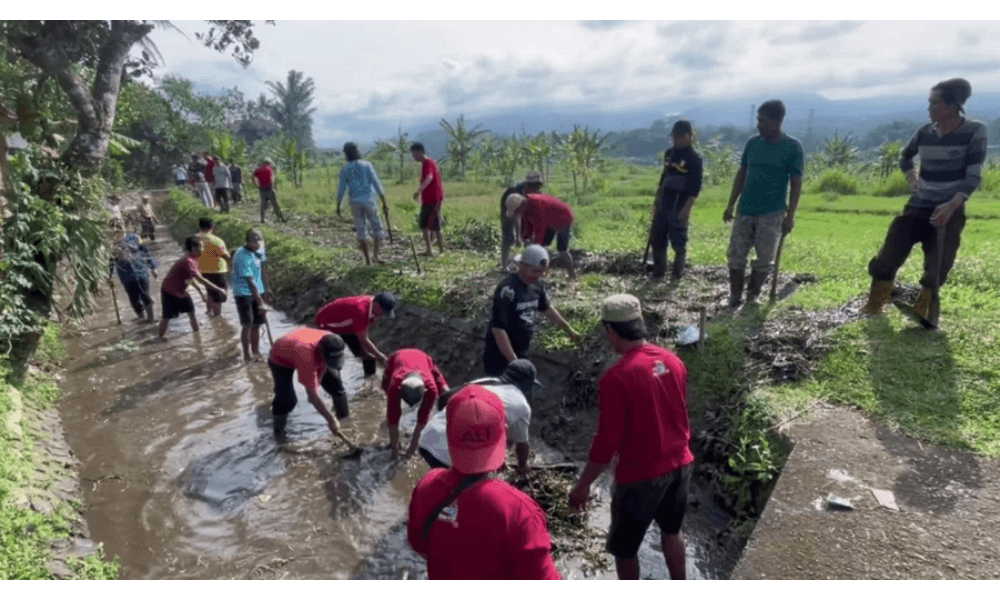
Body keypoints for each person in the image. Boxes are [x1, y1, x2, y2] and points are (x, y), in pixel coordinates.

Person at [569, 294, 695, 580]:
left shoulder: (617, 377)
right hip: (680, 465)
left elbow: (606, 442)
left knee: (625, 550)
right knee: (672, 532)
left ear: (611, 331)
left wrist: (583, 485)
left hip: (641, 476)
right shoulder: (673, 361)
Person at [860, 78, 987, 318]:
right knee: (888, 255)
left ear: (952, 106)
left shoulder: (974, 131)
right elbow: (906, 157)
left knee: (938, 266)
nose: (929, 109)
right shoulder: (925, 132)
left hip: (949, 209)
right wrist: (911, 175)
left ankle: (924, 310)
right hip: (918, 205)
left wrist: (952, 205)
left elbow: (973, 176)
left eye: (934, 103)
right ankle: (875, 303)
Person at [407, 384, 561, 580]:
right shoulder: (518, 510)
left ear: (448, 432)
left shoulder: (426, 485)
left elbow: (419, 546)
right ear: (504, 432)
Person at [722, 99, 804, 308]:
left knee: (764, 258)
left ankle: (753, 296)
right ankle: (735, 296)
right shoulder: (753, 144)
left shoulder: (792, 148)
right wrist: (731, 204)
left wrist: (790, 216)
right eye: (758, 120)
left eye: (763, 120)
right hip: (746, 209)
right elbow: (741, 175)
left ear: (777, 122)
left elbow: (796, 185)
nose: (759, 125)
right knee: (736, 255)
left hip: (772, 212)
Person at [418, 359, 540, 475]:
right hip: (450, 454)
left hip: (427, 438)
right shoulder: (521, 404)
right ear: (527, 385)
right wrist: (523, 466)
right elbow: (521, 444)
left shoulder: (484, 381)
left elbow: (444, 399)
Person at [482, 244, 581, 377]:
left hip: (522, 351)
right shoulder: (507, 290)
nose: (539, 275)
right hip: (500, 357)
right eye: (535, 271)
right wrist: (514, 363)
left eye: (542, 272)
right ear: (523, 265)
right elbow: (498, 329)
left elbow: (546, 308)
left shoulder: (536, 286)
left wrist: (569, 329)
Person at [267, 328, 349, 443]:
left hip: (301, 342)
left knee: (336, 386)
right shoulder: (306, 356)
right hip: (280, 358)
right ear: (321, 352)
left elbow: (325, 364)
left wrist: (318, 381)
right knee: (286, 400)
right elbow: (312, 396)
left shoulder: (333, 340)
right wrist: (331, 419)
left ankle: (345, 423)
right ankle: (279, 435)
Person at [651, 120, 703, 281]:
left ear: (690, 137)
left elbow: (695, 187)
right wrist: (656, 204)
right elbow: (663, 178)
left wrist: (686, 209)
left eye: (681, 137)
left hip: (679, 205)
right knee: (657, 239)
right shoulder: (669, 154)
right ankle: (658, 273)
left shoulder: (694, 158)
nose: (677, 140)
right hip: (664, 202)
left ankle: (677, 274)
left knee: (679, 242)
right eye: (674, 137)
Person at [380, 348, 449, 457]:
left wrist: (412, 450)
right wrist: (394, 447)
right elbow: (393, 416)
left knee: (445, 391)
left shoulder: (431, 389)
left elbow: (423, 419)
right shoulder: (395, 384)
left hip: (423, 358)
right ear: (400, 389)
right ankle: (393, 442)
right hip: (397, 357)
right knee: (385, 388)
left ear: (425, 391)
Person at [157, 235, 226, 339]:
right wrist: (219, 289)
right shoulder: (188, 261)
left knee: (192, 314)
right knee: (167, 317)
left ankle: (198, 339)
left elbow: (189, 278)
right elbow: (200, 279)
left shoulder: (193, 259)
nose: (203, 249)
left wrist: (200, 291)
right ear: (194, 248)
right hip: (169, 291)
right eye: (201, 247)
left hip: (182, 291)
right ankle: (159, 338)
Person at [314, 292, 396, 377]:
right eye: (383, 312)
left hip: (347, 324)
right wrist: (382, 357)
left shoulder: (371, 303)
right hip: (326, 325)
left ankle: (370, 379)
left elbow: (365, 331)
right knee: (334, 355)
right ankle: (333, 383)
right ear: (377, 305)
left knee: (369, 354)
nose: (382, 316)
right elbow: (363, 339)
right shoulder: (360, 311)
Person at [337, 142, 390, 265]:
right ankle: (376, 255)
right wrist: (384, 202)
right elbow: (376, 184)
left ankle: (368, 260)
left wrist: (338, 205)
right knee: (377, 227)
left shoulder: (345, 169)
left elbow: (342, 189)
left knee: (361, 230)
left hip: (355, 202)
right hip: (369, 201)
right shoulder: (367, 165)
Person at [505, 191, 577, 279]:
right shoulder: (526, 207)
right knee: (543, 246)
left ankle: (572, 275)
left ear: (520, 206)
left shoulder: (536, 206)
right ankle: (543, 272)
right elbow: (530, 225)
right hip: (550, 219)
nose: (516, 215)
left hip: (563, 217)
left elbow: (540, 228)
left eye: (516, 212)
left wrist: (535, 247)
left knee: (562, 250)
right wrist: (525, 239)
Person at [231, 229, 273, 362]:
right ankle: (247, 355)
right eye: (255, 241)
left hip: (258, 291)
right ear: (249, 242)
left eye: (260, 241)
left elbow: (263, 270)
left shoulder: (260, 251)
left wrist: (267, 289)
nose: (258, 244)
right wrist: (260, 302)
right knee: (247, 324)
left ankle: (256, 351)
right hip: (244, 293)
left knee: (257, 324)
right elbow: (250, 282)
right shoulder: (242, 255)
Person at [500, 171, 544, 268]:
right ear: (528, 184)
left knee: (528, 236)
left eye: (537, 185)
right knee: (509, 235)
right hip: (509, 207)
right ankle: (505, 263)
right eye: (533, 185)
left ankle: (529, 261)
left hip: (524, 210)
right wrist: (518, 237)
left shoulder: (537, 192)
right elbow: (517, 217)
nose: (536, 188)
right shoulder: (517, 193)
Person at [110, 232, 158, 321]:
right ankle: (141, 318)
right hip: (126, 276)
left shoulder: (135, 238)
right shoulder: (110, 244)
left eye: (118, 225)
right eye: (112, 225)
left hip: (141, 272)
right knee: (134, 300)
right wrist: (109, 276)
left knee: (145, 295)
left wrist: (153, 268)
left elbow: (146, 252)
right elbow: (111, 261)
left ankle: (151, 319)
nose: (116, 229)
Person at [410, 142, 444, 256]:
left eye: (414, 154)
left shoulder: (428, 163)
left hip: (433, 199)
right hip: (432, 198)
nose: (413, 157)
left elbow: (429, 177)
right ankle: (436, 249)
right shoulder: (426, 163)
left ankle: (433, 250)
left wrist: (418, 190)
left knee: (427, 225)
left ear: (420, 152)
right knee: (432, 225)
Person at [197, 217, 232, 318]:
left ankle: (208, 311)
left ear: (200, 227)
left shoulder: (195, 239)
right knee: (218, 295)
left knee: (209, 291)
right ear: (212, 227)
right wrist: (233, 266)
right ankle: (217, 317)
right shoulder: (216, 240)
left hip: (202, 271)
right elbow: (225, 256)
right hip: (217, 271)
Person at [253, 158, 285, 223]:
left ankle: (262, 218)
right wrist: (273, 188)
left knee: (263, 204)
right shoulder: (269, 169)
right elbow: (271, 179)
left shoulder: (258, 170)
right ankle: (280, 218)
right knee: (275, 204)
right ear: (268, 163)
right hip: (269, 189)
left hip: (262, 189)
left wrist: (257, 186)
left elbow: (254, 178)